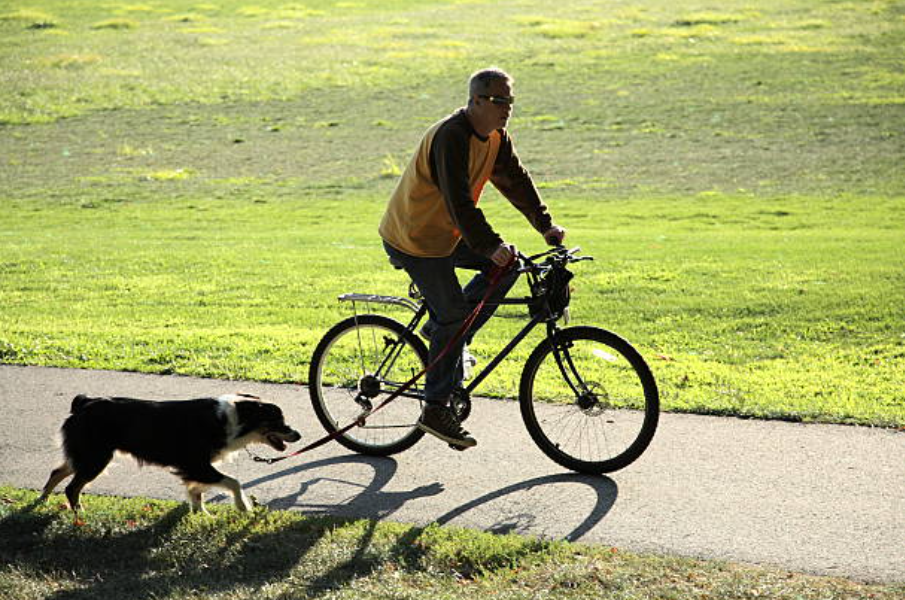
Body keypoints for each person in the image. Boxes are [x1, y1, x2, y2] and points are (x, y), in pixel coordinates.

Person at [379, 67, 566, 450]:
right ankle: (434, 408)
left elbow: (515, 179)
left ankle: (449, 339)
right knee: (452, 312)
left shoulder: (495, 137)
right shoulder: (452, 136)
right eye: (499, 101)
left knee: (509, 266)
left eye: (510, 101)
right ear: (476, 101)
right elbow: (459, 203)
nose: (507, 109)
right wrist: (488, 244)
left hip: (446, 235)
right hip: (414, 237)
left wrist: (544, 226)